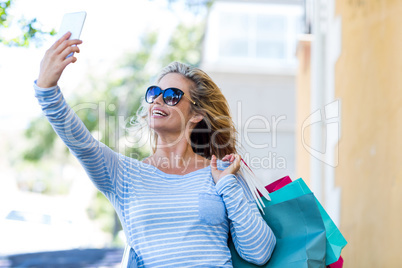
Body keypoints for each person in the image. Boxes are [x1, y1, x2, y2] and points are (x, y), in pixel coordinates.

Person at [34, 32, 276, 267]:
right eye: (154, 93)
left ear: (197, 115)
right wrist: (47, 91)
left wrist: (227, 186)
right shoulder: (123, 175)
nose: (158, 100)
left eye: (172, 95)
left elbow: (259, 252)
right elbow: (82, 145)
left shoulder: (222, 173)